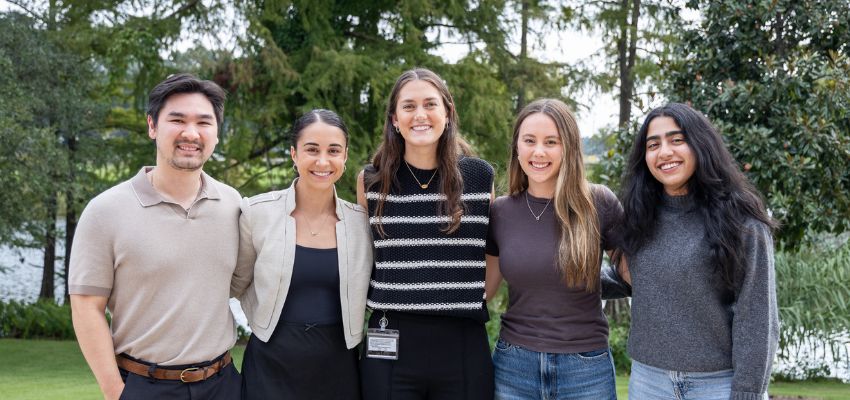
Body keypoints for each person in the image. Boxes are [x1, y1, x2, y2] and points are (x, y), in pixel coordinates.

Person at [69, 73, 242, 400]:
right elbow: (86, 307)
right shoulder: (105, 210)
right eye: (177, 120)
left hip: (224, 385)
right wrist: (115, 392)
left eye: (204, 122)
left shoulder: (233, 205)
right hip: (143, 386)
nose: (191, 133)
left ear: (217, 134)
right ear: (152, 126)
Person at [618, 102, 778, 400]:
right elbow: (632, 279)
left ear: (700, 145)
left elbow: (757, 318)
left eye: (677, 140)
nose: (664, 152)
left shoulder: (744, 223)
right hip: (648, 383)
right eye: (654, 145)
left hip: (718, 385)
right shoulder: (639, 217)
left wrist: (747, 392)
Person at [356, 67, 495, 400]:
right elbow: (364, 255)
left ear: (447, 112)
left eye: (430, 104)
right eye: (409, 106)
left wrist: (470, 295)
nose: (420, 115)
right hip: (390, 337)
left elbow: (494, 252)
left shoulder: (478, 177)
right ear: (394, 119)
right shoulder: (371, 182)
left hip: (461, 338)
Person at [484, 98, 625, 400]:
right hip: (513, 366)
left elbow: (638, 272)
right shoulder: (500, 212)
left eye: (551, 142)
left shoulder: (598, 203)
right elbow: (484, 292)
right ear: (517, 147)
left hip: (586, 368)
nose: (539, 152)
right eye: (529, 141)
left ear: (569, 148)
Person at [232, 109, 372, 399]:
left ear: (345, 156)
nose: (323, 161)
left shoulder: (361, 224)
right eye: (312, 149)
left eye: (333, 150)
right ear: (294, 154)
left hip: (338, 367)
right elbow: (237, 285)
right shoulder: (257, 213)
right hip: (271, 364)